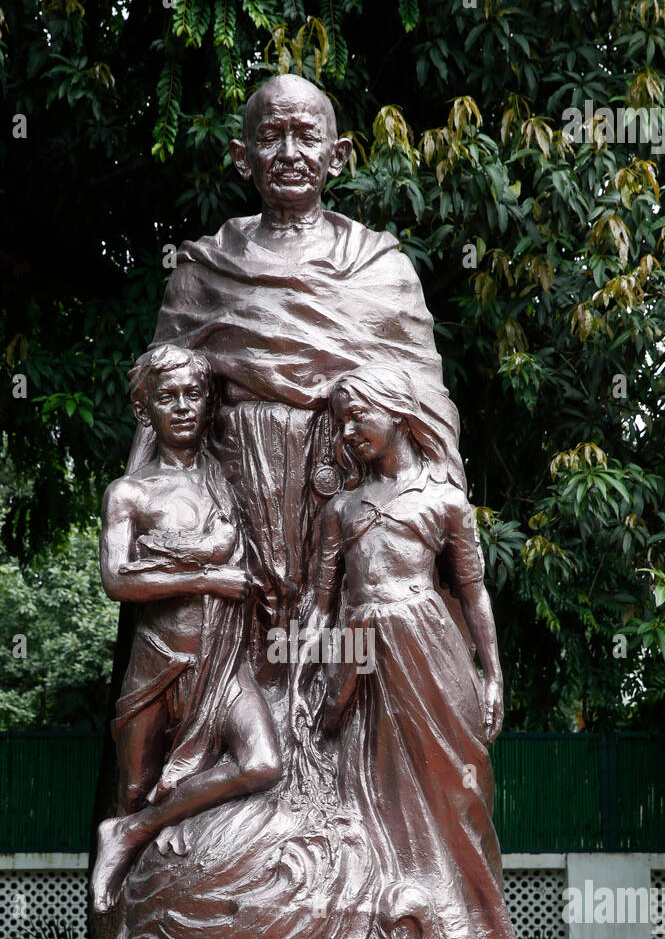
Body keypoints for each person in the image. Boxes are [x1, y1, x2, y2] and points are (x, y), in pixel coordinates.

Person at [125, 73, 464, 641]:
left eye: (306, 137)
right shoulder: (202, 274)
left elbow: (426, 406)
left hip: (351, 497)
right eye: (270, 136)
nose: (289, 154)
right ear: (241, 155)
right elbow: (158, 412)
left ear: (338, 156)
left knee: (342, 675)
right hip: (230, 507)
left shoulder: (380, 269)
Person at [291, 365, 516, 939]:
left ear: (396, 412)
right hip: (361, 654)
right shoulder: (343, 508)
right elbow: (321, 599)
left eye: (360, 415)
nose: (350, 431)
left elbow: (473, 596)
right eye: (341, 422)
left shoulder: (444, 501)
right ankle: (392, 937)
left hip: (430, 649)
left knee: (454, 791)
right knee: (375, 791)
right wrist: (306, 661)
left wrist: (492, 678)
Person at [91, 345, 281, 913]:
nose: (182, 407)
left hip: (223, 663)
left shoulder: (227, 480)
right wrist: (209, 578)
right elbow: (118, 581)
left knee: (262, 763)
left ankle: (129, 832)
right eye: (167, 397)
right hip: (159, 661)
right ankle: (133, 933)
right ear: (145, 407)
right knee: (132, 787)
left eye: (193, 395)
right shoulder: (130, 493)